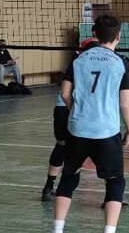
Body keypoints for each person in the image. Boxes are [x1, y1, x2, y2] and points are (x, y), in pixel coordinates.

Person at [47, 15, 129, 233]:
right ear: (118, 36)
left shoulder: (79, 59)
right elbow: (124, 103)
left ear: (94, 33)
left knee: (68, 178)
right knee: (115, 182)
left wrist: (76, 110)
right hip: (106, 131)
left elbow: (65, 93)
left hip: (78, 129)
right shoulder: (121, 63)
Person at [42, 37, 98, 202]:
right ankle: (112, 193)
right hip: (76, 109)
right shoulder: (88, 65)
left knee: (61, 146)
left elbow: (65, 92)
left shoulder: (75, 63)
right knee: (92, 148)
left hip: (62, 108)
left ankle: (49, 187)